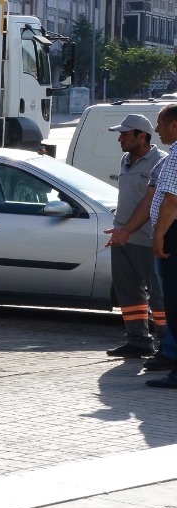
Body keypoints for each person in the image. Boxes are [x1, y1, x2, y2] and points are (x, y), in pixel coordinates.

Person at [104, 114, 164, 358]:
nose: (120, 139)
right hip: (122, 238)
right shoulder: (126, 159)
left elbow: (152, 204)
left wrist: (127, 230)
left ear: (142, 136)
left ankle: (167, 345)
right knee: (128, 291)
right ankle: (138, 340)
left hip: (147, 240)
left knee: (159, 295)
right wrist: (121, 230)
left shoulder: (160, 162)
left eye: (125, 134)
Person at [143, 105, 177, 388]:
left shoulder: (176, 155)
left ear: (174, 125)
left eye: (160, 124)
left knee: (174, 303)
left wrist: (159, 236)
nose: (156, 130)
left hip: (173, 235)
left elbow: (172, 200)